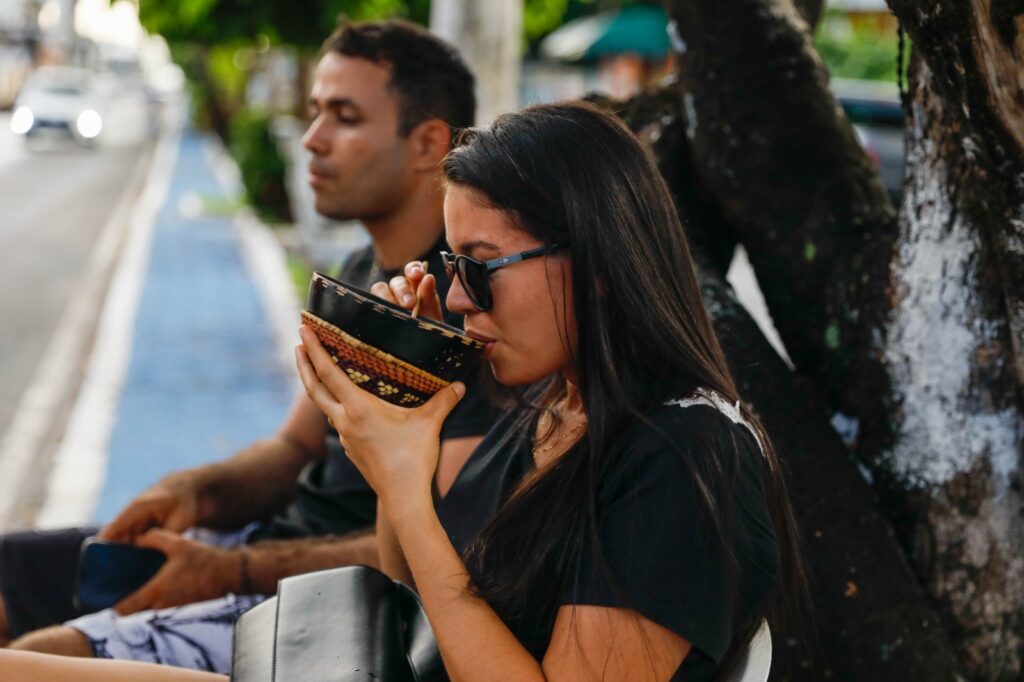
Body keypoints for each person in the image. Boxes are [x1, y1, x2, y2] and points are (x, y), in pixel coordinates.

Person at [0, 101, 805, 681]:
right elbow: (402, 581)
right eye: (451, 268)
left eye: (481, 268)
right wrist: (400, 428)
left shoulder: (683, 456)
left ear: (597, 266)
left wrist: (410, 497)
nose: (456, 302)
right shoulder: (556, 409)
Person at [0, 19, 494, 675]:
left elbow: (437, 548)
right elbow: (294, 448)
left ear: (428, 141)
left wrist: (228, 571)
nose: (313, 139)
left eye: (343, 117)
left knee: (40, 659)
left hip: (335, 599)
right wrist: (194, 495)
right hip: (257, 544)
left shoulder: (465, 313)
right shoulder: (357, 270)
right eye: (316, 112)